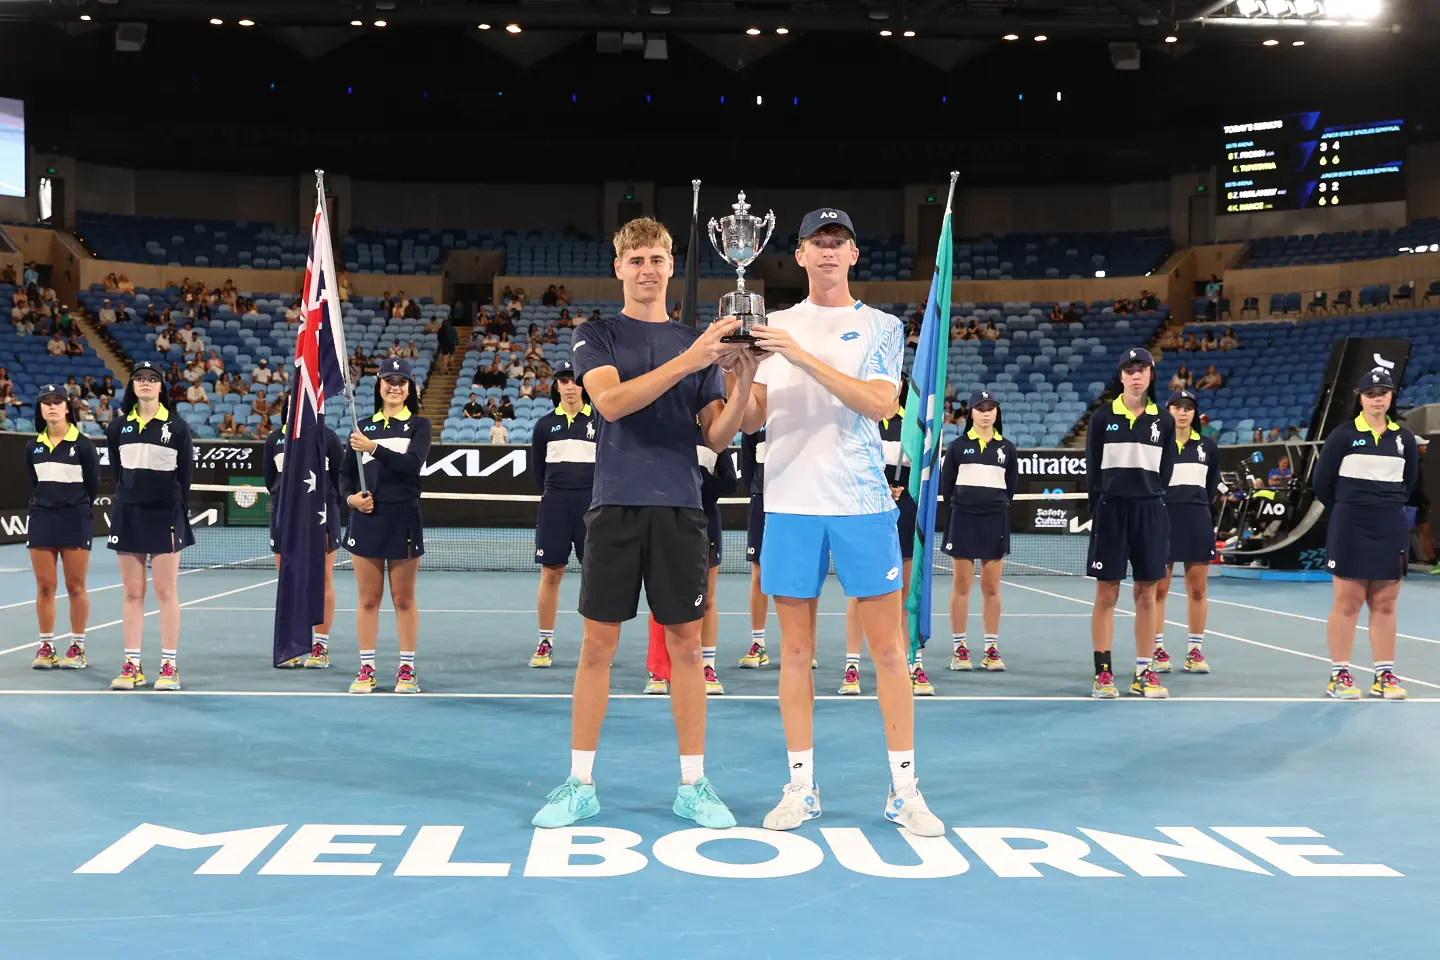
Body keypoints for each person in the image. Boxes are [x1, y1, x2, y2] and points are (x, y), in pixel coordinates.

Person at [531, 216, 754, 832]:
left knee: (686, 647)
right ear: (619, 269)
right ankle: (579, 783)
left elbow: (717, 432)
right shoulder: (597, 335)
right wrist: (691, 359)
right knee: (598, 647)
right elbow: (611, 403)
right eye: (637, 261)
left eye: (658, 259)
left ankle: (693, 784)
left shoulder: (697, 342)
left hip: (683, 508)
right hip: (614, 505)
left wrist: (744, 376)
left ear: (669, 266)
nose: (648, 270)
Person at [744, 206, 943, 837]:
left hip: (861, 507)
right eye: (815, 243)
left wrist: (798, 356)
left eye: (839, 242)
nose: (827, 252)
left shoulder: (881, 327)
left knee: (888, 652)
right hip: (790, 505)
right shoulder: (768, 325)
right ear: (798, 255)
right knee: (795, 653)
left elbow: (880, 403)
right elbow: (751, 419)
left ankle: (905, 790)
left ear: (854, 255)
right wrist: (740, 369)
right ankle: (800, 788)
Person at [1313, 369, 1418, 700]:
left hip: (1390, 525)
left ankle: (1384, 675)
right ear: (1360, 398)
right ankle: (1339, 675)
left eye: (1383, 392)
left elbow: (1409, 483)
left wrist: (1384, 506)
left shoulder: (1404, 439)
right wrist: (1349, 507)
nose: (1377, 398)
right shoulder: (1342, 436)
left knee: (1385, 603)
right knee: (1349, 602)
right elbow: (1322, 483)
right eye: (1371, 393)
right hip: (1351, 524)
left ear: (1391, 397)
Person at [1085, 348, 1175, 699]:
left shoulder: (1164, 421)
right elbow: (1093, 468)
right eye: (1129, 370)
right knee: (1107, 594)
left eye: (1142, 370)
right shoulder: (1101, 417)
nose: (1136, 376)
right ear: (1120, 376)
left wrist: (1151, 493)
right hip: (1110, 511)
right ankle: (1103, 673)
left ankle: (1144, 672)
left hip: (1150, 511)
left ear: (1151, 375)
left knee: (1147, 594)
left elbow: (1165, 469)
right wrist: (1100, 506)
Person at [341, 357, 431, 695]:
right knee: (368, 600)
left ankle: (406, 669)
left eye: (402, 381)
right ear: (379, 385)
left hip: (403, 518)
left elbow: (411, 466)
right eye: (389, 380)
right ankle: (367, 669)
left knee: (403, 598)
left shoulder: (419, 426)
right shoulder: (361, 426)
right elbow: (345, 476)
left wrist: (373, 448)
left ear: (410, 388)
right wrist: (351, 500)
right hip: (366, 520)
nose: (395, 386)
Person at [105, 360, 195, 691]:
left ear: (161, 388)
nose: (145, 382)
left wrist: (175, 511)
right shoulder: (117, 428)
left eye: (152, 379)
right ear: (132, 387)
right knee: (132, 591)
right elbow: (118, 473)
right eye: (139, 378)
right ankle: (132, 665)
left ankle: (169, 666)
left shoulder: (178, 427)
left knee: (165, 591)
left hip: (166, 514)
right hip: (129, 513)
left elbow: (184, 477)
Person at [839, 374, 924, 695]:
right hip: (866, 513)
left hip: (904, 516)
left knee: (902, 596)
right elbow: (848, 468)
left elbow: (927, 474)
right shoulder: (861, 422)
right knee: (861, 594)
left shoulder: (913, 429)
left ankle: (906, 662)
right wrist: (880, 488)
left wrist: (906, 490)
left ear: (901, 390)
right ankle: (852, 666)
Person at [940, 389, 1018, 674]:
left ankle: (991, 648)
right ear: (970, 412)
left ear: (997, 413)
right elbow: (947, 486)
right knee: (962, 587)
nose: (986, 413)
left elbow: (1010, 487)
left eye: (991, 408)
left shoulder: (1007, 449)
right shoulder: (958, 447)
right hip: (963, 520)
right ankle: (959, 648)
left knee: (991, 587)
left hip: (995, 520)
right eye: (980, 408)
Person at [265, 401, 346, 670]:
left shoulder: (328, 437)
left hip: (321, 515)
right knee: (287, 581)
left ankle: (320, 646)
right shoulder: (275, 439)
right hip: (285, 516)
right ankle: (290, 644)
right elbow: (270, 479)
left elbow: (340, 476)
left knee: (322, 581)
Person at [25, 383, 101, 671]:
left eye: (58, 401)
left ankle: (77, 647)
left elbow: (92, 486)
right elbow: (35, 483)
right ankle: (46, 646)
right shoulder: (32, 446)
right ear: (41, 409)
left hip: (75, 518)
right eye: (46, 402)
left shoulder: (83, 445)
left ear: (68, 408)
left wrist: (74, 504)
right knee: (45, 586)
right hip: (42, 518)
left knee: (75, 586)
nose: (52, 406)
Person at [659, 424, 738, 697]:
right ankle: (660, 669)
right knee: (664, 595)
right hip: (669, 522)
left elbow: (731, 481)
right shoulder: (666, 431)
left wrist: (700, 481)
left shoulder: (714, 437)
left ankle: (707, 665)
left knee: (708, 600)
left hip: (707, 523)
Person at [528, 362, 596, 669]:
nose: (570, 386)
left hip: (592, 507)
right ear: (556, 386)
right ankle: (545, 641)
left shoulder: (601, 420)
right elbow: (537, 473)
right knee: (550, 574)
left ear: (584, 385)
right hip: (555, 504)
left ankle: (594, 642)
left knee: (595, 576)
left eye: (575, 381)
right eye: (564, 381)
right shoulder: (544, 426)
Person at [1153, 389, 1221, 677]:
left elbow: (1211, 488)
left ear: (1195, 413)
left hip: (1196, 520)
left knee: (1197, 590)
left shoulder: (1207, 447)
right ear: (1167, 409)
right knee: (1159, 590)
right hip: (1162, 519)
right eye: (1177, 407)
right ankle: (1156, 649)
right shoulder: (1155, 445)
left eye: (1188, 407)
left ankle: (1195, 651)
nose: (1183, 412)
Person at [737, 425, 772, 669]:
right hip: (762, 499)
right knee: (758, 575)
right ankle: (758, 643)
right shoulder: (755, 419)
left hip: (796, 502)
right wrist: (757, 491)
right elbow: (747, 461)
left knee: (796, 576)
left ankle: (802, 641)